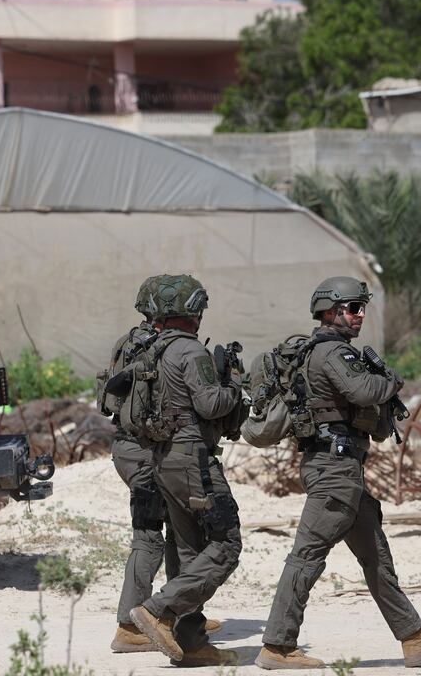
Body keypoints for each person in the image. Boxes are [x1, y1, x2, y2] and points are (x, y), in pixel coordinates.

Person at [256, 277, 421, 670]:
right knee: (306, 557)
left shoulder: (333, 351)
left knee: (375, 555)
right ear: (329, 312)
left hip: (343, 469)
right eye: (352, 307)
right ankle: (277, 647)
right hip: (334, 471)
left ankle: (413, 636)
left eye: (361, 306)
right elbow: (365, 391)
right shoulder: (332, 353)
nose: (360, 314)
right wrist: (391, 380)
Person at [129, 274, 244, 668]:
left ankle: (190, 641)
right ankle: (158, 611)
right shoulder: (190, 351)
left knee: (191, 549)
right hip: (193, 459)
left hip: (163, 459)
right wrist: (235, 386)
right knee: (227, 544)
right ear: (190, 310)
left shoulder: (152, 349)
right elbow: (212, 404)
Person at [103, 278, 220, 652]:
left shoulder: (131, 341)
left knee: (175, 530)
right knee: (151, 533)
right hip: (142, 451)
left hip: (138, 448)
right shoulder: (155, 345)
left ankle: (178, 611)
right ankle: (130, 626)